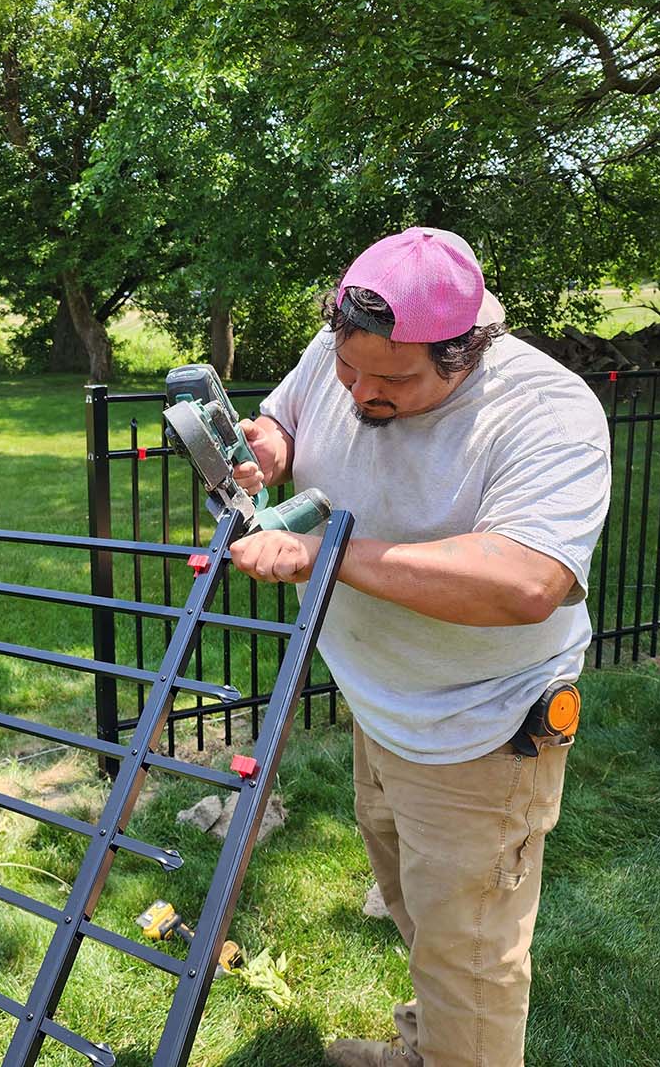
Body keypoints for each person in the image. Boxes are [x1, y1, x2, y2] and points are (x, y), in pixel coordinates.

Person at [225, 227, 611, 1067]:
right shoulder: (355, 346)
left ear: (464, 352)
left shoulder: (546, 413)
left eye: (393, 380)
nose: (362, 392)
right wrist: (267, 446)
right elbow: (287, 412)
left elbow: (525, 581)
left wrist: (323, 555)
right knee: (418, 908)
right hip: (380, 699)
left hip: (483, 720)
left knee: (470, 951)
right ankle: (429, 1049)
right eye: (347, 367)